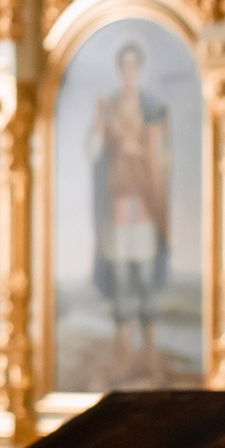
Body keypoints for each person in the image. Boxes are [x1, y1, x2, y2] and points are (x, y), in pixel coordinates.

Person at [88, 39, 171, 382]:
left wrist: (138, 149)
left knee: (146, 278)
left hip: (144, 202)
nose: (129, 71)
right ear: (120, 69)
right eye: (124, 65)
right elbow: (93, 149)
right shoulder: (108, 107)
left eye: (134, 65)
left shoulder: (151, 107)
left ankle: (150, 357)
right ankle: (124, 355)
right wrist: (100, 122)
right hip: (119, 203)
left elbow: (160, 157)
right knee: (122, 279)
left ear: (139, 68)